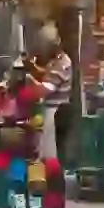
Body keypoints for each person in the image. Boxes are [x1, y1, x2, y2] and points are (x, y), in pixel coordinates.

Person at [25, 23, 72, 160]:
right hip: (48, 112)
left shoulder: (62, 63)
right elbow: (46, 74)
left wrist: (27, 80)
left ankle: (52, 179)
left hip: (55, 113)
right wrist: (32, 68)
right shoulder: (54, 61)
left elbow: (42, 90)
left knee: (49, 156)